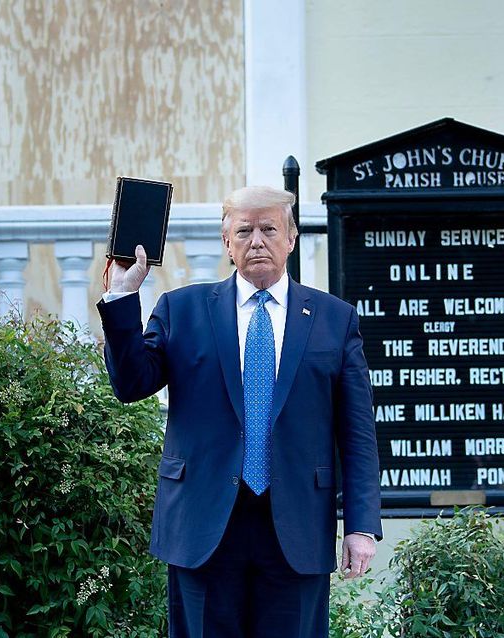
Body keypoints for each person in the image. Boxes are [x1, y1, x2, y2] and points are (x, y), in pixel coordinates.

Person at [96, 185, 382, 638]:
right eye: (244, 230)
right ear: (227, 243)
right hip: (203, 525)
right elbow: (132, 384)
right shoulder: (182, 309)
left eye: (269, 228)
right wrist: (122, 297)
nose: (257, 240)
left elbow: (358, 434)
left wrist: (361, 526)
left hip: (297, 526)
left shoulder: (334, 319)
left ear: (290, 238)